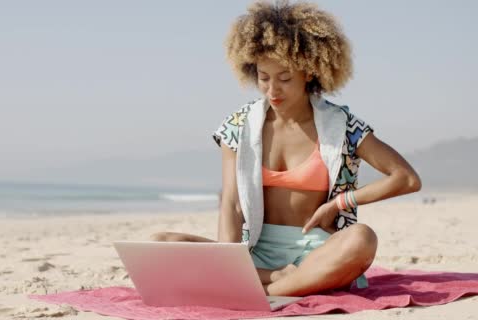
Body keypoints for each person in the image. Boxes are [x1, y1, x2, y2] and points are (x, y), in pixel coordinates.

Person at [150, 0, 421, 297]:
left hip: (317, 253)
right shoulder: (237, 126)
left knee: (362, 239)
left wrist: (339, 204)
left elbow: (406, 178)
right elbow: (231, 204)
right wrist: (230, 263)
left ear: (309, 72)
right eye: (264, 78)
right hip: (255, 252)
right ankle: (271, 280)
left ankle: (267, 290)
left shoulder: (343, 126)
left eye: (285, 78)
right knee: (159, 243)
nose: (272, 90)